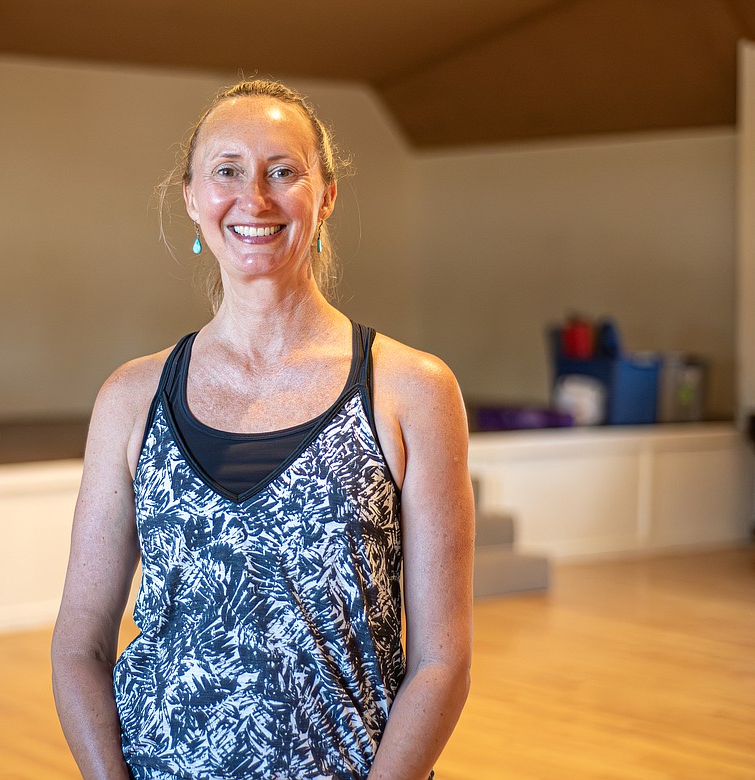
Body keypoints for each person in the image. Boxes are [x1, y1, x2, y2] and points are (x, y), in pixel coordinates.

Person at [51, 79, 474, 780]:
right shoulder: (132, 397)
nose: (256, 198)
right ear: (192, 197)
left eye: (284, 171)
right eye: (228, 171)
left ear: (325, 194)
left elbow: (442, 660)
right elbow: (79, 645)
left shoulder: (411, 390)